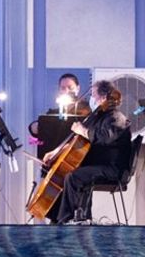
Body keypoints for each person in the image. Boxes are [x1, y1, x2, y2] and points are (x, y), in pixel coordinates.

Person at [42, 79, 131, 224]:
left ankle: (68, 219)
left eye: (93, 95)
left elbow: (104, 138)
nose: (91, 99)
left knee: (73, 176)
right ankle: (63, 217)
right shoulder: (98, 116)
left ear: (103, 98)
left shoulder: (116, 118)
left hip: (112, 168)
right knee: (66, 173)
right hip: (98, 164)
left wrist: (83, 130)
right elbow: (78, 140)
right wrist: (56, 152)